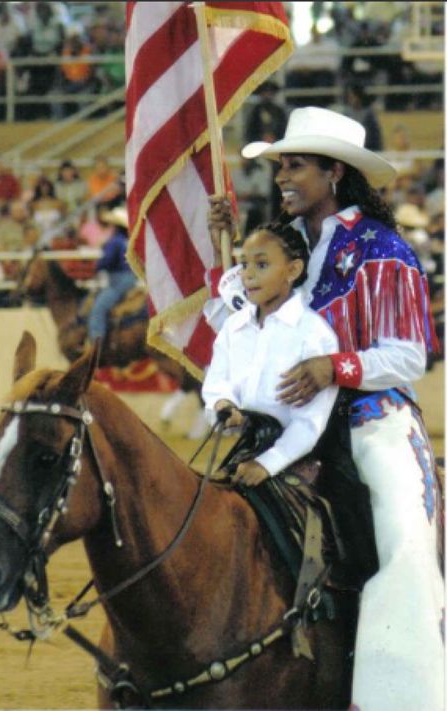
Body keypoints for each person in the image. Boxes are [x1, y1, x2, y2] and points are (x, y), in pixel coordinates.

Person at [206, 106, 443, 711]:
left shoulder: (380, 249)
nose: (283, 175)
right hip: (286, 426)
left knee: (405, 549)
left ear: (335, 172)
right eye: (281, 165)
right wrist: (225, 253)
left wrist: (333, 367)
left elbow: (409, 355)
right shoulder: (284, 249)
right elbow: (241, 326)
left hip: (371, 422)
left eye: (296, 165)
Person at [203, 220, 339, 486]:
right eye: (244, 265)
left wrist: (267, 464)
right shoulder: (234, 327)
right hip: (245, 453)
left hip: (297, 461)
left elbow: (309, 424)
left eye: (261, 265)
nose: (248, 275)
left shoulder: (313, 334)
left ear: (293, 269)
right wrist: (224, 406)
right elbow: (217, 384)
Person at [87, 206, 138, 344]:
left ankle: (96, 343)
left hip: (118, 280)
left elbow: (107, 260)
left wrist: (96, 267)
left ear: (115, 225)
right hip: (131, 278)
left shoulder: (114, 241)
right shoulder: (128, 240)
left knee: (98, 308)